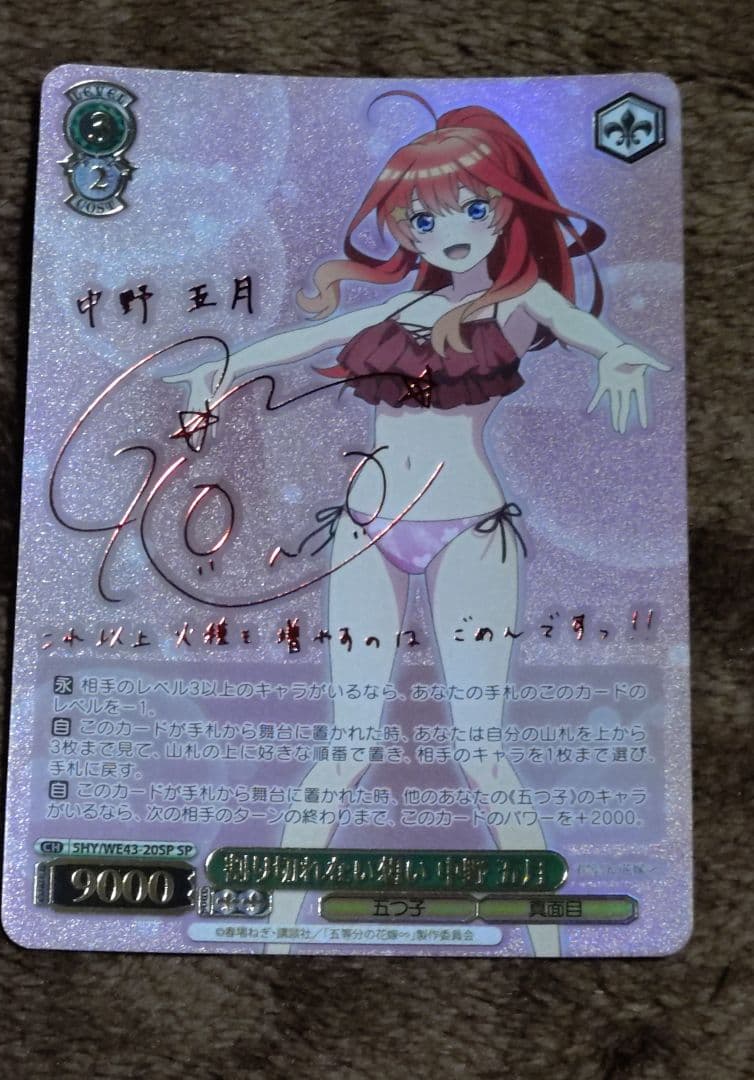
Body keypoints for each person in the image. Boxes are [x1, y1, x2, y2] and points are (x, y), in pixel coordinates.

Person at [165, 95, 668, 955]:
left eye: (474, 207)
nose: (452, 231)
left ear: (505, 207)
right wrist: (215, 375)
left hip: (469, 527)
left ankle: (547, 944)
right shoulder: (395, 311)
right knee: (346, 744)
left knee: (483, 749)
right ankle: (277, 933)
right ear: (403, 228)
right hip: (368, 528)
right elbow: (293, 345)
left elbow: (585, 328)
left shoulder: (522, 302)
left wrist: (618, 353)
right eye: (425, 218)